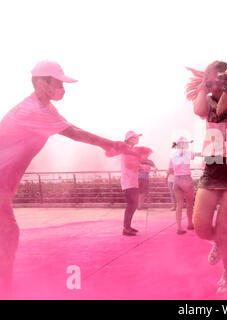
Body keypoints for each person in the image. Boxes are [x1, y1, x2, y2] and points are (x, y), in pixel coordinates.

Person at [0, 60, 132, 296]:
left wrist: (111, 145)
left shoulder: (43, 107)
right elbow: (74, 133)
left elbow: (71, 129)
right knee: (8, 236)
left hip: (2, 187)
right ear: (41, 83)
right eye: (58, 82)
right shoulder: (35, 111)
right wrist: (111, 145)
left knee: (8, 236)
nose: (62, 88)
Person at [186, 61, 227, 294]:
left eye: (220, 80)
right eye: (211, 80)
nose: (215, 85)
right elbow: (200, 111)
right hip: (213, 164)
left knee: (224, 230)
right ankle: (218, 243)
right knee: (201, 227)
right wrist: (203, 87)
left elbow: (223, 110)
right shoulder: (206, 98)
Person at [168, 136, 198, 235]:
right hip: (186, 178)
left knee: (179, 205)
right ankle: (190, 223)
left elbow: (170, 170)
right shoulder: (189, 153)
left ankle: (179, 227)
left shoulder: (172, 155)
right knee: (190, 203)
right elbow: (197, 154)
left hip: (176, 179)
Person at [121, 131, 144, 236]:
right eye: (134, 137)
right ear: (129, 139)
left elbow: (133, 163)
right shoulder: (126, 149)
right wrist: (142, 166)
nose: (137, 139)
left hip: (132, 181)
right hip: (128, 181)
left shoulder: (130, 150)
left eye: (137, 137)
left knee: (133, 205)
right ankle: (126, 229)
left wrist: (141, 166)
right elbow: (128, 164)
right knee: (131, 205)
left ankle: (128, 227)